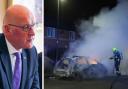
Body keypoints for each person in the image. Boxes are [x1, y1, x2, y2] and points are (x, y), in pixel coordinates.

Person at [0, 5, 40, 89]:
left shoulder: (32, 52)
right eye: (26, 27)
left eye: (33, 25)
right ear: (7, 29)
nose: (33, 33)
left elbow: (34, 86)